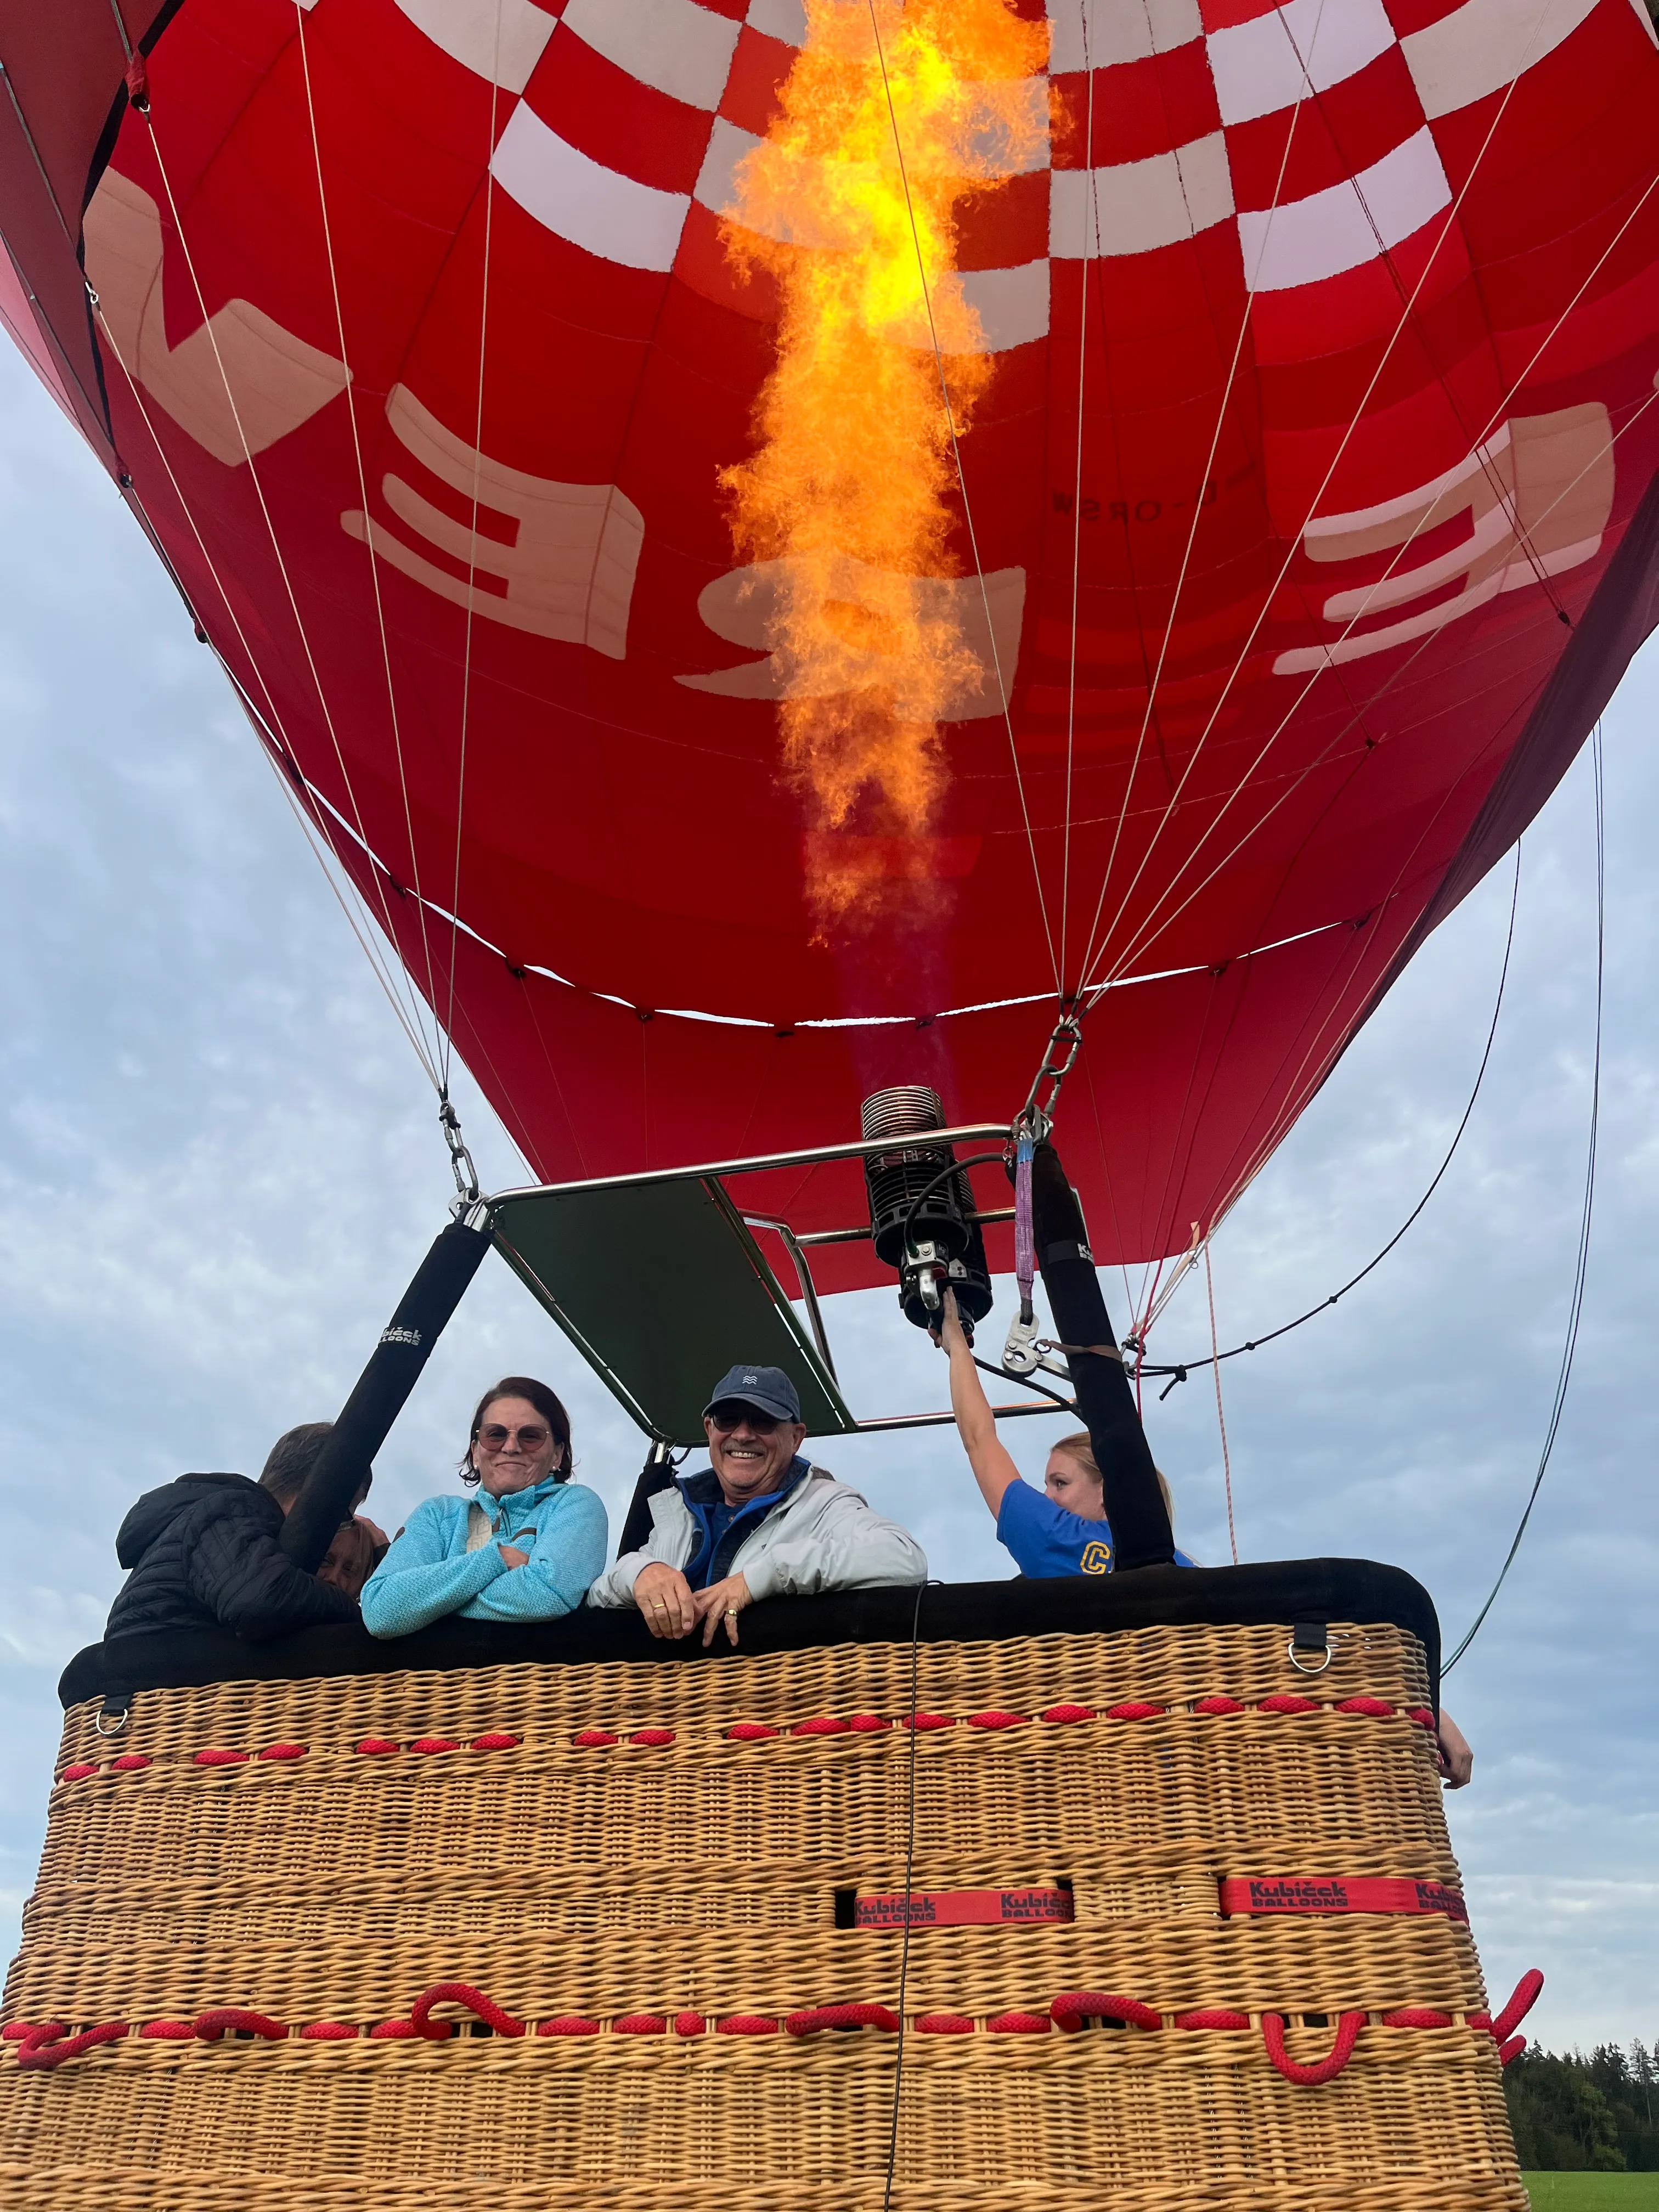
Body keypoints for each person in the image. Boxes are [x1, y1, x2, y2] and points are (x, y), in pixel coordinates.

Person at [588, 1363, 926, 1644]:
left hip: (769, 1695)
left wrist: (760, 1578)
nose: (743, 1435)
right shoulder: (677, 1512)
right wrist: (641, 1574)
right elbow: (598, 1596)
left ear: (796, 1438)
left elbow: (904, 1559)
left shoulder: (824, 1503)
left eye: (763, 1421)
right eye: (728, 1419)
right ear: (709, 1429)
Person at [935, 1287, 1195, 1575]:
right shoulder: (1183, 1566)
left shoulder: (1060, 1539)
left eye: (1060, 1483)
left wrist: (956, 1345)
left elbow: (979, 1439)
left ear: (1107, 1492)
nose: (1046, 1497)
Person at [360, 1377, 607, 1635]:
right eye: (495, 1435)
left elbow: (549, 1595)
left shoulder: (576, 1505)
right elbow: (381, 1610)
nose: (511, 1447)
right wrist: (499, 1558)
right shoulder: (438, 1515)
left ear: (557, 1454)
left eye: (531, 1436)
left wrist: (425, 1604)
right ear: (476, 1451)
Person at [104, 1421, 381, 1642]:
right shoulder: (228, 1512)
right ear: (318, 1494)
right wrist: (358, 1617)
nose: (337, 1528)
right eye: (342, 1514)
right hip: (155, 1681)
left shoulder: (235, 1519)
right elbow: (261, 1603)